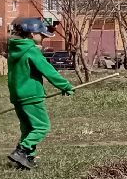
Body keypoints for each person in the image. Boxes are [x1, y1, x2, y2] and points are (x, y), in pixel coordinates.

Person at [6, 17, 75, 170]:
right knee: (41, 126)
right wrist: (65, 85)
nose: (43, 38)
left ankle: (27, 159)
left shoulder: (14, 49)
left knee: (28, 128)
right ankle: (21, 150)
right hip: (31, 95)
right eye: (42, 35)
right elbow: (48, 71)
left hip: (18, 96)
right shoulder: (31, 51)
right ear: (32, 34)